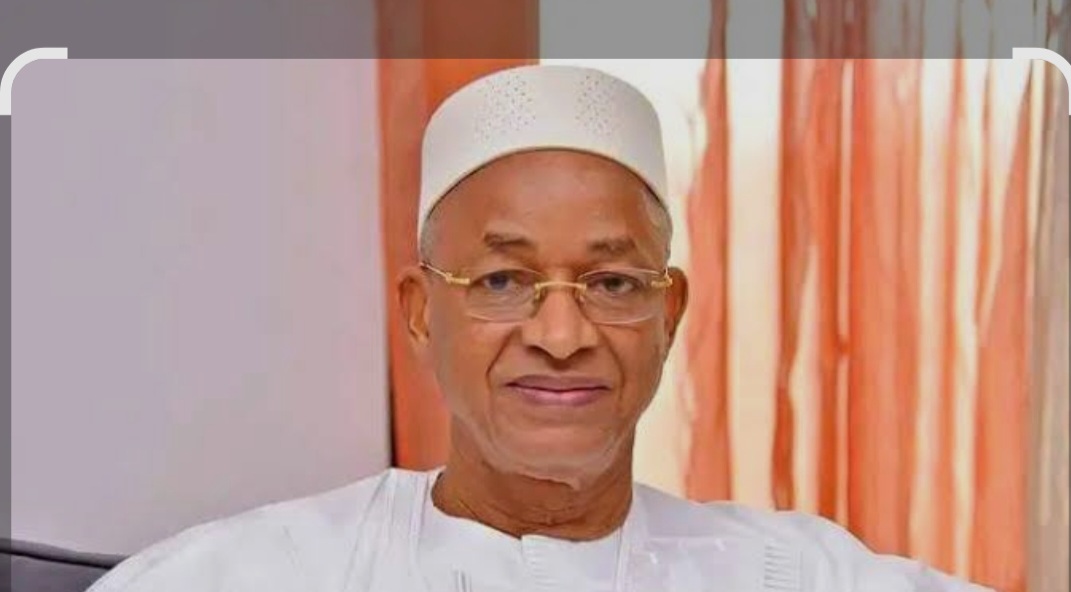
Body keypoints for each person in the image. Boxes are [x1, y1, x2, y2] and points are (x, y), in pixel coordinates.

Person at [87, 64, 992, 592]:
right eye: (503, 280)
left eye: (611, 281)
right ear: (419, 312)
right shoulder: (255, 571)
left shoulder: (794, 574)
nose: (561, 335)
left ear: (668, 313)